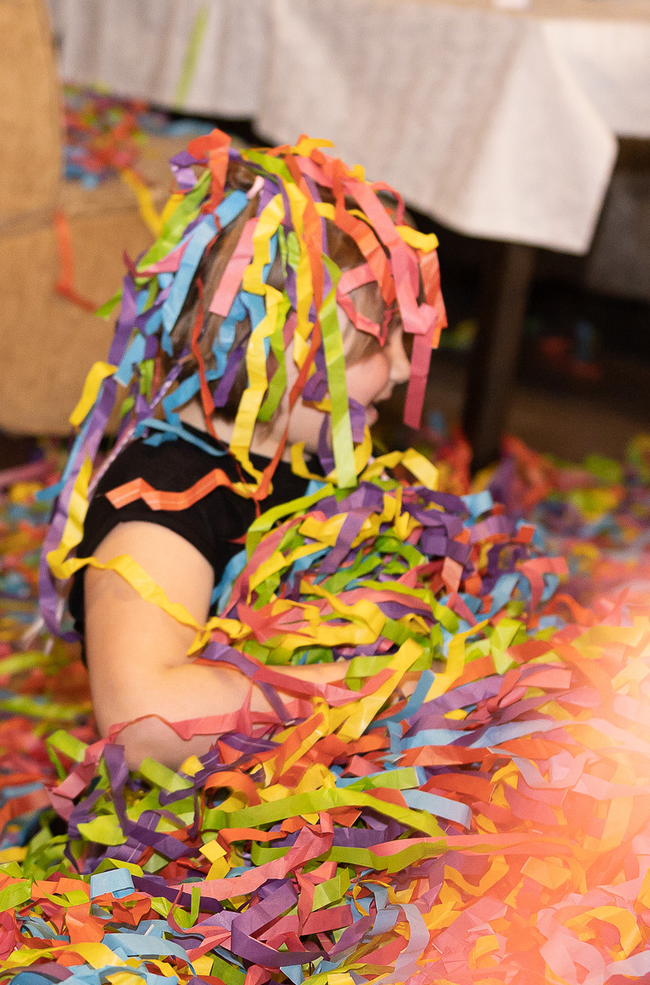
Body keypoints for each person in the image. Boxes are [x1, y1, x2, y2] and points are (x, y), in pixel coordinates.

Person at [45, 138, 442, 769]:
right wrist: (348, 690)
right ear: (282, 349)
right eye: (379, 343)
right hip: (192, 839)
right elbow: (141, 718)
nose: (402, 368)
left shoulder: (318, 455)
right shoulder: (161, 495)